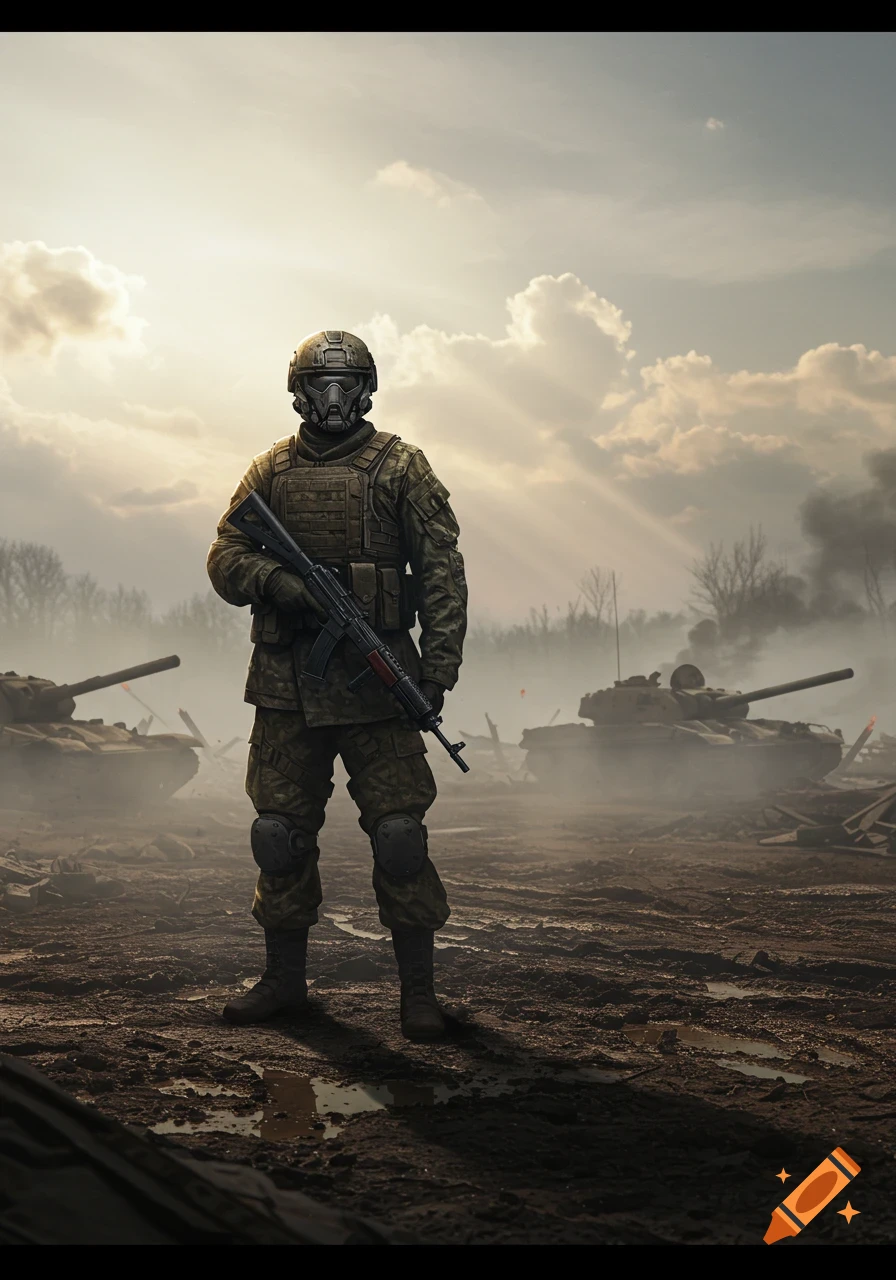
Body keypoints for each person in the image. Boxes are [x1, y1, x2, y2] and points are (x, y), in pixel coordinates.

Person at [206, 330, 467, 1041]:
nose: (333, 398)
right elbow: (225, 552)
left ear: (367, 388)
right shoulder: (270, 470)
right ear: (296, 390)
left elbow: (442, 570)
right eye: (322, 384)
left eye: (347, 383)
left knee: (400, 837)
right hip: (287, 683)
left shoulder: (402, 467)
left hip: (379, 684)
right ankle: (284, 983)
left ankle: (419, 995)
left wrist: (438, 668)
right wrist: (278, 582)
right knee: (278, 837)